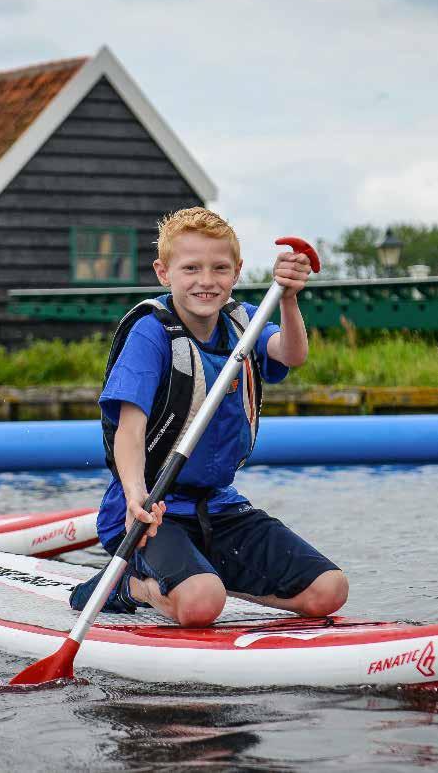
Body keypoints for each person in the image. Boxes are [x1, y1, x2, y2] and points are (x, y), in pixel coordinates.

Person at [70, 207, 348, 627]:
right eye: (191, 268)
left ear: (236, 272)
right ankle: (129, 584)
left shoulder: (244, 322)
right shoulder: (151, 333)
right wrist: (134, 496)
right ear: (164, 273)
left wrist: (288, 299)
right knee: (201, 605)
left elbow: (292, 355)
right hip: (153, 510)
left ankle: (205, 579)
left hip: (220, 507)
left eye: (220, 268)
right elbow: (129, 429)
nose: (206, 280)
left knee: (329, 590)